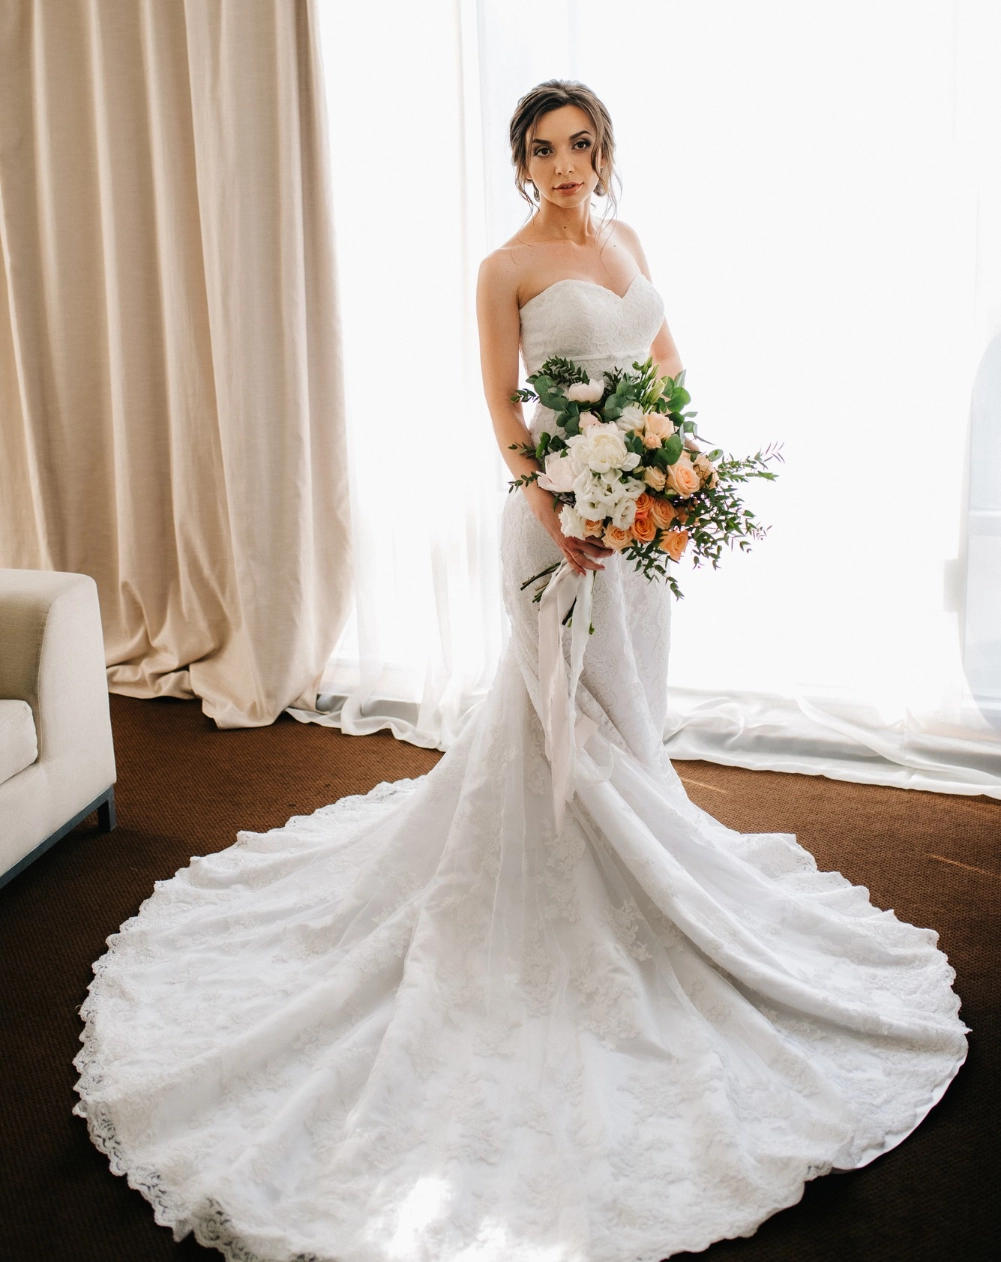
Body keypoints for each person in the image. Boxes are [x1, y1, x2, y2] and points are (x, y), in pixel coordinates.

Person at [74, 80, 969, 1262]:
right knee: (563, 716)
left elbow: (665, 360)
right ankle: (570, 897)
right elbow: (501, 408)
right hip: (556, 525)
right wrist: (558, 507)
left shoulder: (627, 238)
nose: (563, 165)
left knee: (627, 707)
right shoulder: (502, 266)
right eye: (542, 149)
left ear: (603, 151)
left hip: (636, 522)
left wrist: (675, 474)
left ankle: (644, 863)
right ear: (518, 161)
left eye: (579, 144)